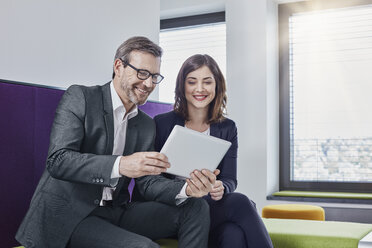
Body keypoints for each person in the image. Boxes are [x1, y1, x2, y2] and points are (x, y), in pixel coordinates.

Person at [15, 37, 215, 248]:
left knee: (196, 207)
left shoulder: (146, 124)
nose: (148, 84)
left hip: (115, 211)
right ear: (118, 66)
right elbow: (59, 160)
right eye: (142, 73)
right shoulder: (81, 97)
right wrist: (120, 164)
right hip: (71, 218)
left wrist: (188, 189)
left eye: (155, 76)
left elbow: (148, 183)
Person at [154, 54, 273, 248]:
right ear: (182, 86)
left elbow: (229, 179)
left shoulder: (227, 127)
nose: (200, 89)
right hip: (172, 208)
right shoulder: (162, 123)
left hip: (208, 205)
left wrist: (221, 187)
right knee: (242, 203)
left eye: (207, 82)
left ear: (216, 86)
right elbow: (152, 181)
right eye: (192, 82)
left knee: (232, 234)